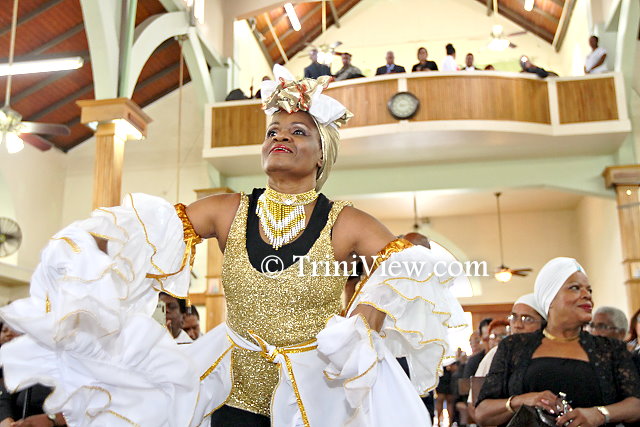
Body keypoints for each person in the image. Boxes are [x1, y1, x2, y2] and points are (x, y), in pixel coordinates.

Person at [0, 64, 466, 426]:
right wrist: (85, 257)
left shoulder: (346, 222)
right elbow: (143, 235)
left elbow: (410, 262)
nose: (280, 137)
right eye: (273, 131)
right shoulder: (227, 210)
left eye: (298, 131)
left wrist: (365, 320)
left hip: (316, 396)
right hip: (233, 392)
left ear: (322, 152)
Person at [475, 257, 640, 427]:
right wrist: (524, 400)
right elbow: (482, 414)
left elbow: (636, 405)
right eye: (575, 288)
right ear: (550, 297)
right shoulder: (513, 346)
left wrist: (600, 414)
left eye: (589, 290)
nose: (587, 295)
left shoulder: (610, 348)